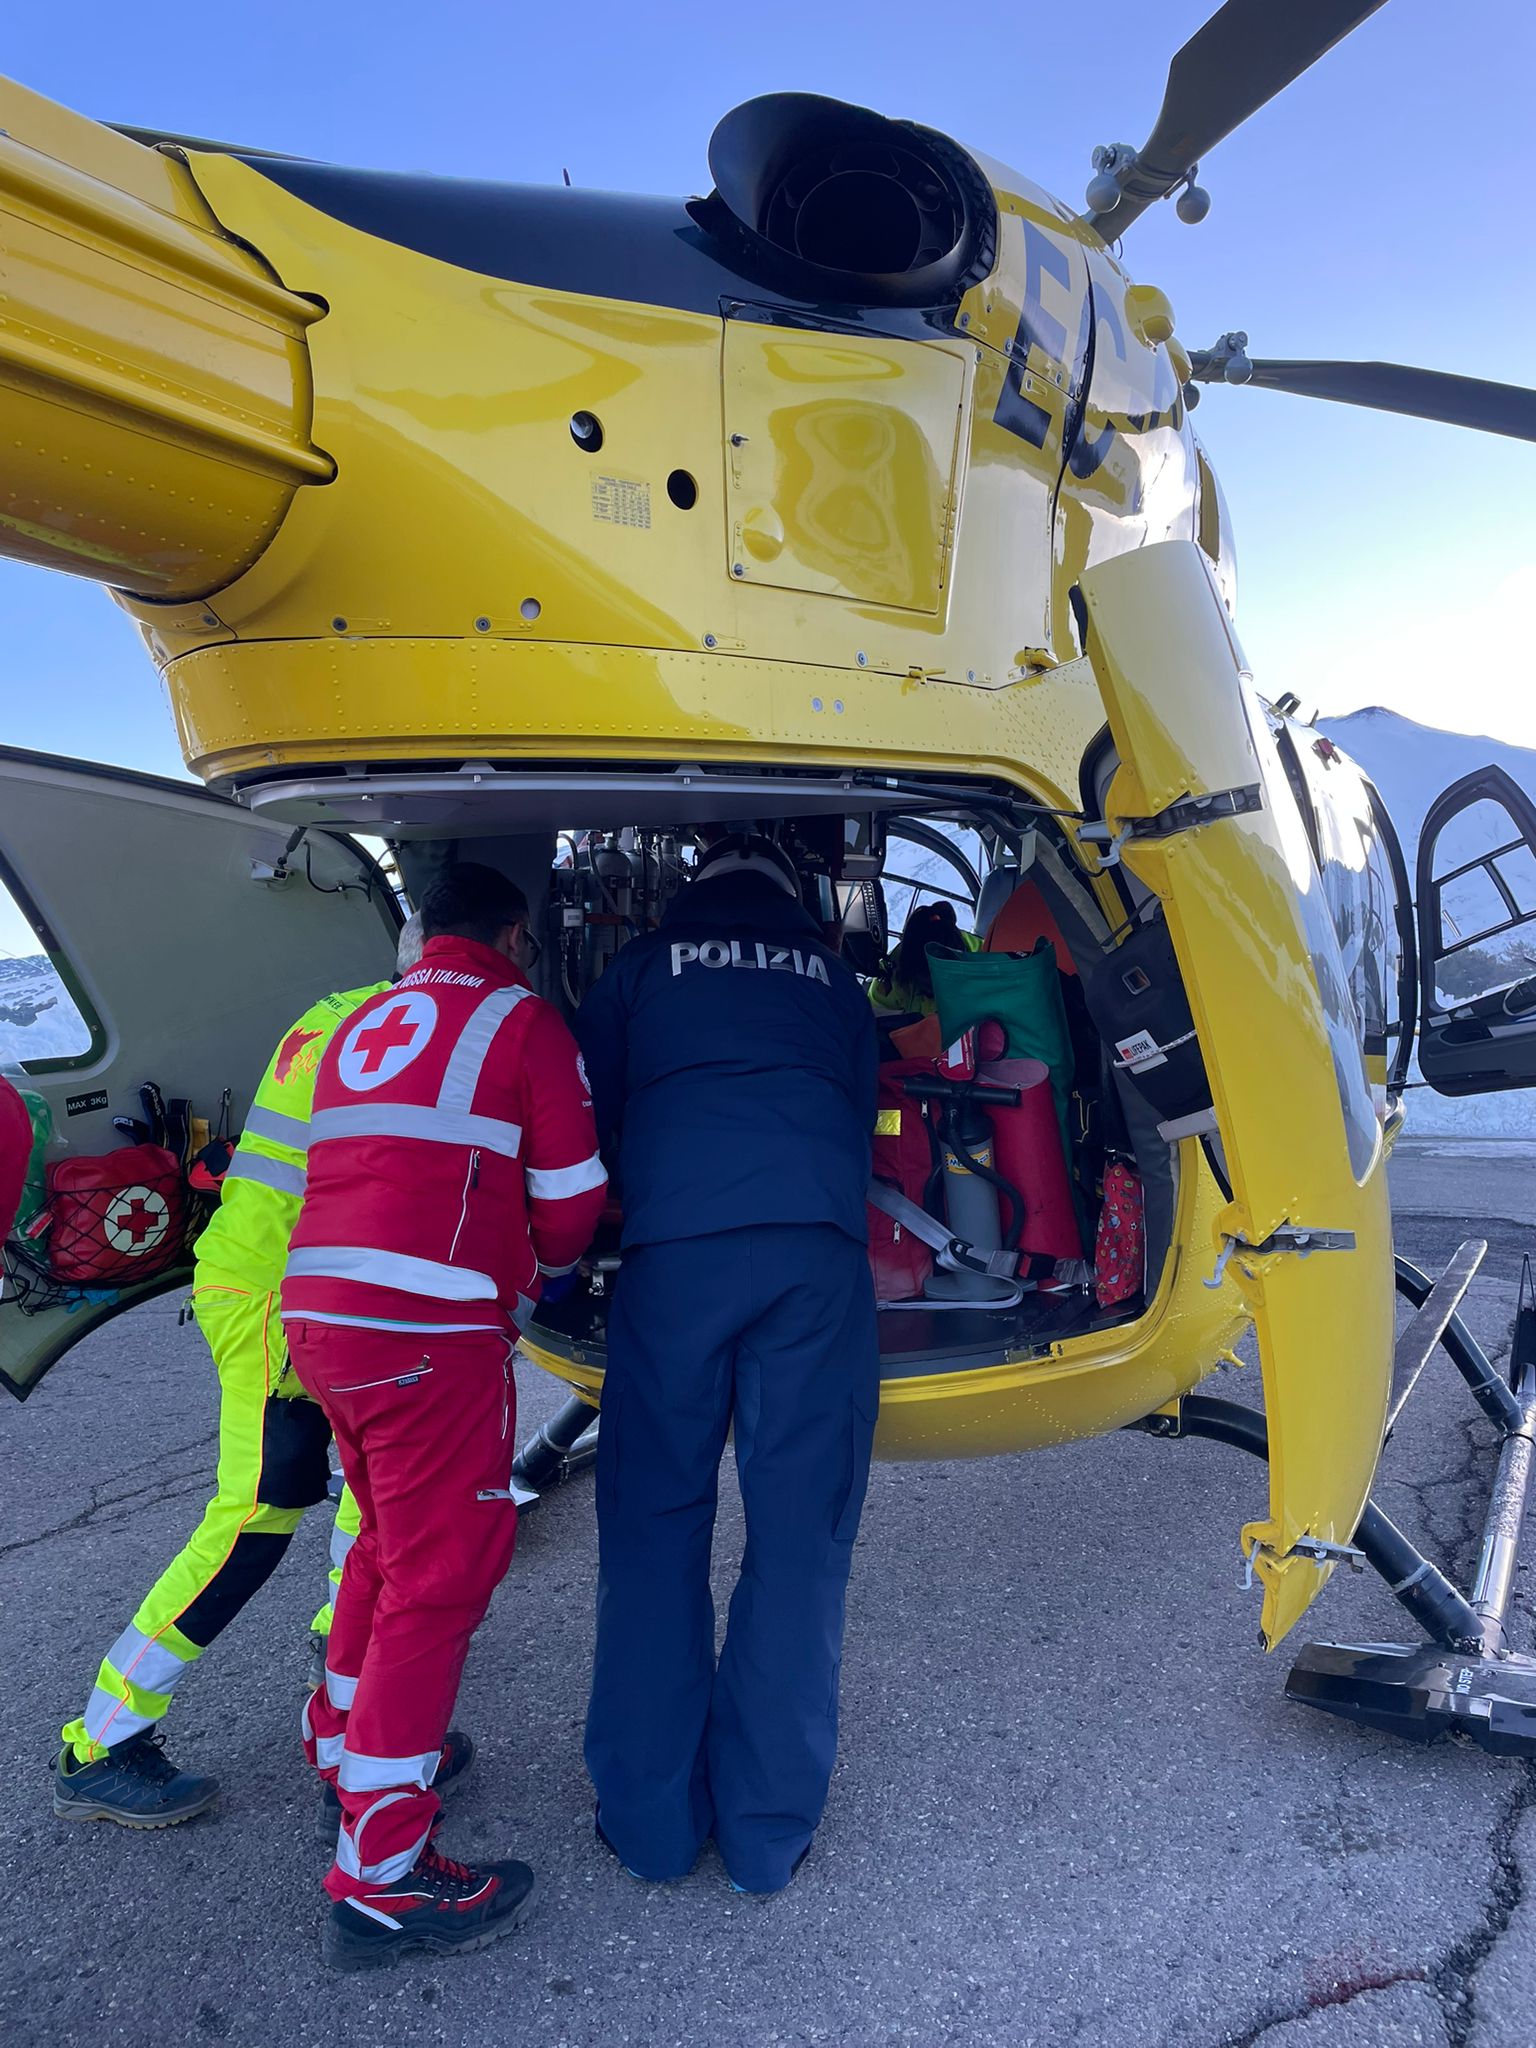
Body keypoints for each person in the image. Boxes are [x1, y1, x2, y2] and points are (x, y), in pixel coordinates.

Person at [282, 862, 606, 1971]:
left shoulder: (363, 1019)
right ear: (514, 933)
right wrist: (554, 1272)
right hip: (425, 1340)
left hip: (324, 1321)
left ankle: (344, 1744)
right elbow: (569, 1202)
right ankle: (383, 1878)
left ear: (425, 929)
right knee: (444, 1576)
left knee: (383, 1541)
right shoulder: (521, 1020)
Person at [51, 920, 423, 1828]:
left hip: (310, 1290)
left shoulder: (346, 1012)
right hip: (275, 1296)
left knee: (366, 1502)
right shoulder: (409, 1035)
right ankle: (100, 1740)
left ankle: (349, 1712)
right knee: (259, 1512)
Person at [574, 830, 879, 1895]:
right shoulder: (835, 978)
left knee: (654, 1528)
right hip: (815, 1249)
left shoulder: (637, 971)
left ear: (687, 897)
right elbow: (859, 1109)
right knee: (802, 1539)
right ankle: (767, 1835)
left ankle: (650, 1824)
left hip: (677, 1255)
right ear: (795, 902)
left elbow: (589, 1124)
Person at [867, 898, 980, 1017]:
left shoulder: (987, 959)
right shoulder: (891, 978)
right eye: (928, 983)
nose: (936, 990)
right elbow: (876, 1019)